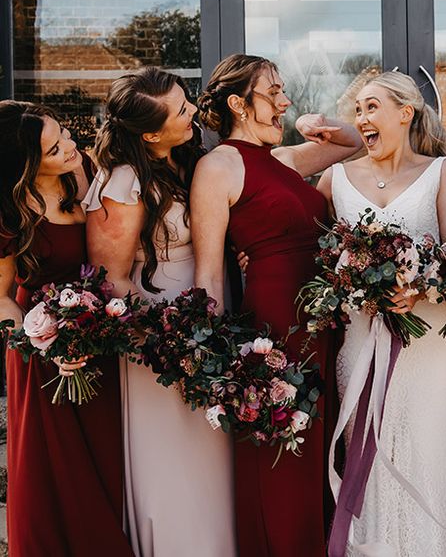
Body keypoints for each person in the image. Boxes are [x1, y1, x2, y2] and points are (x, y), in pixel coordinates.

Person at [192, 54, 362, 557]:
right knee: (278, 454)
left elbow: (351, 142)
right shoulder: (217, 166)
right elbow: (207, 272)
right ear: (238, 103)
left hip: (320, 322)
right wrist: (220, 359)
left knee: (319, 449)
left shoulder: (284, 159)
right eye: (275, 93)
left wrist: (316, 125)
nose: (286, 103)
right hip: (272, 326)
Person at [83, 67, 236, 557]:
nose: (193, 110)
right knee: (175, 452)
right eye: (181, 110)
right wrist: (166, 343)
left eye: (186, 100)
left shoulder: (187, 159)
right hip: (161, 331)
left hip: (207, 308)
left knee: (214, 444)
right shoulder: (123, 183)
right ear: (149, 132)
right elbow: (111, 279)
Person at [316, 70, 446, 556]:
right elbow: (307, 249)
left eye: (372, 107)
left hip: (430, 341)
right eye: (357, 110)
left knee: (428, 453)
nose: (362, 118)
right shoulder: (334, 177)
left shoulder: (440, 171)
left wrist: (419, 289)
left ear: (406, 113)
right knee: (368, 454)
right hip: (360, 336)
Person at [0, 101, 132, 557]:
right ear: (27, 166)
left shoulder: (91, 170)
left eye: (66, 134)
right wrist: (43, 345)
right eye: (55, 149)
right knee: (54, 472)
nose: (72, 147)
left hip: (101, 336)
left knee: (104, 459)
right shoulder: (9, 211)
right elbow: (0, 297)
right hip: (42, 352)